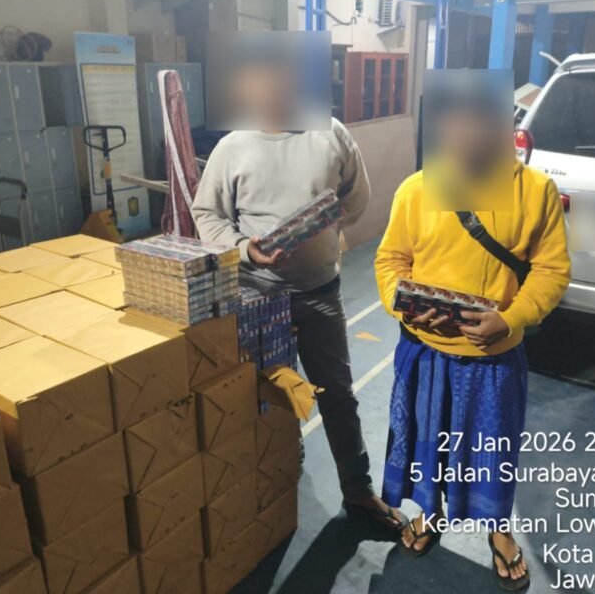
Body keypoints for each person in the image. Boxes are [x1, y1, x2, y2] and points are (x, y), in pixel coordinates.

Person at [192, 46, 408, 531]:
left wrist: (324, 231)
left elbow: (357, 196)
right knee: (263, 397)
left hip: (319, 293)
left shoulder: (330, 133)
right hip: (255, 297)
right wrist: (246, 250)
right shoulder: (233, 147)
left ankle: (358, 492)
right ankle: (276, 477)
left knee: (337, 394)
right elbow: (206, 214)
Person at [374, 82, 571, 590]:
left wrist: (512, 317)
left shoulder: (535, 192)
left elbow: (551, 270)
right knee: (427, 442)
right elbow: (391, 259)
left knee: (492, 451)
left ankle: (499, 531)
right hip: (424, 352)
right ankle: (431, 512)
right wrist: (402, 302)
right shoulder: (417, 189)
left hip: (494, 358)